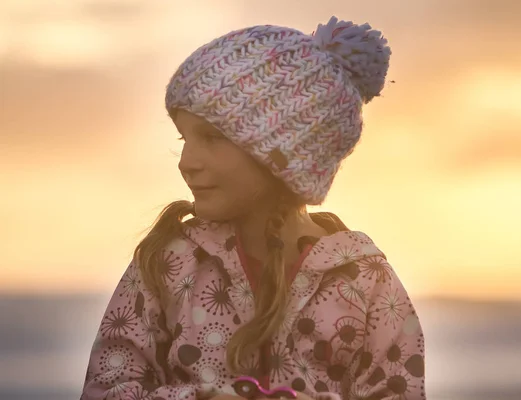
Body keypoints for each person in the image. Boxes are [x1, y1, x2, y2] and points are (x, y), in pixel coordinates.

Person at [80, 15, 426, 400]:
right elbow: (107, 389)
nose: (186, 161)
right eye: (184, 138)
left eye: (212, 137)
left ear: (286, 153)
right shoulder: (169, 263)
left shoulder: (364, 278)